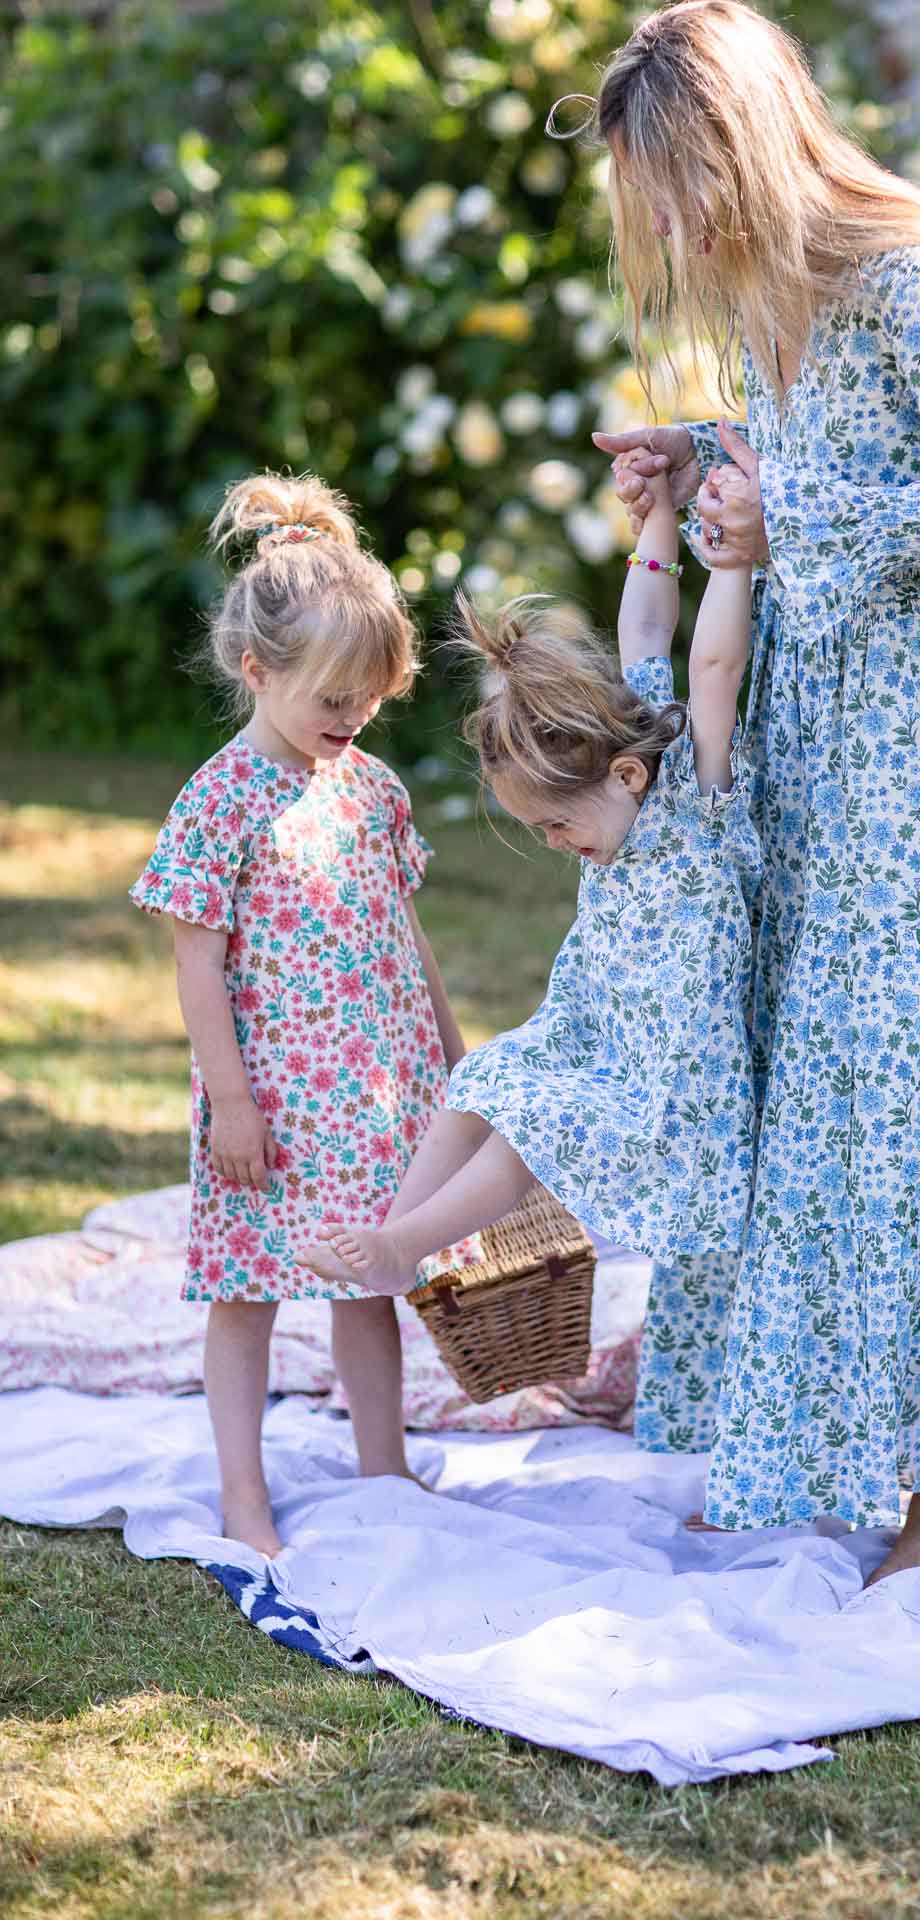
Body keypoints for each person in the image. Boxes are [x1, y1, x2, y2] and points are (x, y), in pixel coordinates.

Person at [589, 0, 920, 1582]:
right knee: (812, 1077)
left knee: (916, 1080)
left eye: (669, 183)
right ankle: (814, 1428)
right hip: (810, 709)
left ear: (734, 148)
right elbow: (802, 463)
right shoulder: (760, 297)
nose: (661, 224)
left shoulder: (918, 282)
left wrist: (794, 498)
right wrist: (700, 460)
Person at [296, 458, 761, 1293]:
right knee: (485, 1081)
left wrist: (731, 561)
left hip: (668, 1091)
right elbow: (647, 629)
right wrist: (656, 516)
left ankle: (405, 1249)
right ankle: (393, 1235)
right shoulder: (621, 763)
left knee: (530, 1124)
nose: (550, 842)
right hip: (594, 1038)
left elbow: (715, 668)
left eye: (554, 822)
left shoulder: (695, 797)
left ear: (625, 777)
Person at [130, 473, 466, 1557]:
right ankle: (244, 1496)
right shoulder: (220, 799)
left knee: (368, 1280)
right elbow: (196, 962)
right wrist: (231, 1102)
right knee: (248, 1292)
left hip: (374, 1091)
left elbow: (403, 931)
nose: (350, 718)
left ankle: (385, 1468)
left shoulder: (370, 789)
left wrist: (454, 1059)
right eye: (331, 700)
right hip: (270, 1104)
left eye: (367, 698)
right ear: (257, 672)